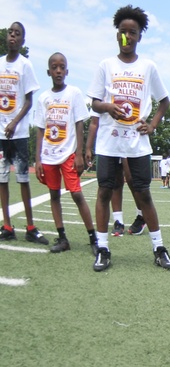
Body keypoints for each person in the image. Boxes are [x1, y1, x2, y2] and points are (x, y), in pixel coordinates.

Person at [87, 4, 170, 272]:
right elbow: (93, 102)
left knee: (143, 193)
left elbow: (164, 101)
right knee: (104, 191)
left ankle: (159, 248)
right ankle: (103, 248)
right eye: (123, 32)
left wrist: (153, 125)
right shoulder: (106, 65)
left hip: (137, 142)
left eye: (133, 32)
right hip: (109, 140)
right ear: (117, 34)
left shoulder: (148, 66)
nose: (127, 36)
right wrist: (107, 107)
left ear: (139, 36)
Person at [33, 53, 98, 254]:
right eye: (54, 67)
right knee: (54, 195)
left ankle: (93, 238)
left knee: (77, 194)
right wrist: (38, 159)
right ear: (48, 72)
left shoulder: (74, 93)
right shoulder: (43, 98)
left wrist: (79, 153)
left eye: (62, 67)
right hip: (49, 155)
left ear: (67, 71)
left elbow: (80, 123)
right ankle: (62, 238)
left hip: (68, 153)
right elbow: (40, 130)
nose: (58, 70)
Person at [0, 22, 49, 244]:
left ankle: (30, 227)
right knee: (2, 180)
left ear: (22, 41)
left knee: (22, 180)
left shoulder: (25, 65)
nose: (12, 36)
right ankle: (7, 226)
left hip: (18, 134)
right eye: (10, 32)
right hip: (1, 136)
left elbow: (29, 101)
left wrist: (14, 123)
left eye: (17, 33)